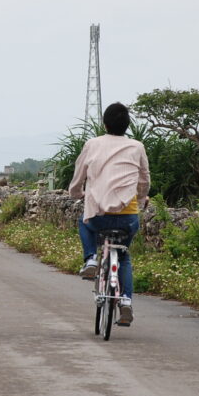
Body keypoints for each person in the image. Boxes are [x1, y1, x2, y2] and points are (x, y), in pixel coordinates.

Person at [68, 102, 150, 326]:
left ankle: (91, 258)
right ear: (128, 125)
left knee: (84, 222)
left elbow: (78, 177)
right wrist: (141, 200)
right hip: (128, 216)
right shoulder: (137, 147)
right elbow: (144, 180)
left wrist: (77, 193)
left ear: (104, 124)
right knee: (123, 256)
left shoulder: (92, 144)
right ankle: (125, 302)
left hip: (99, 215)